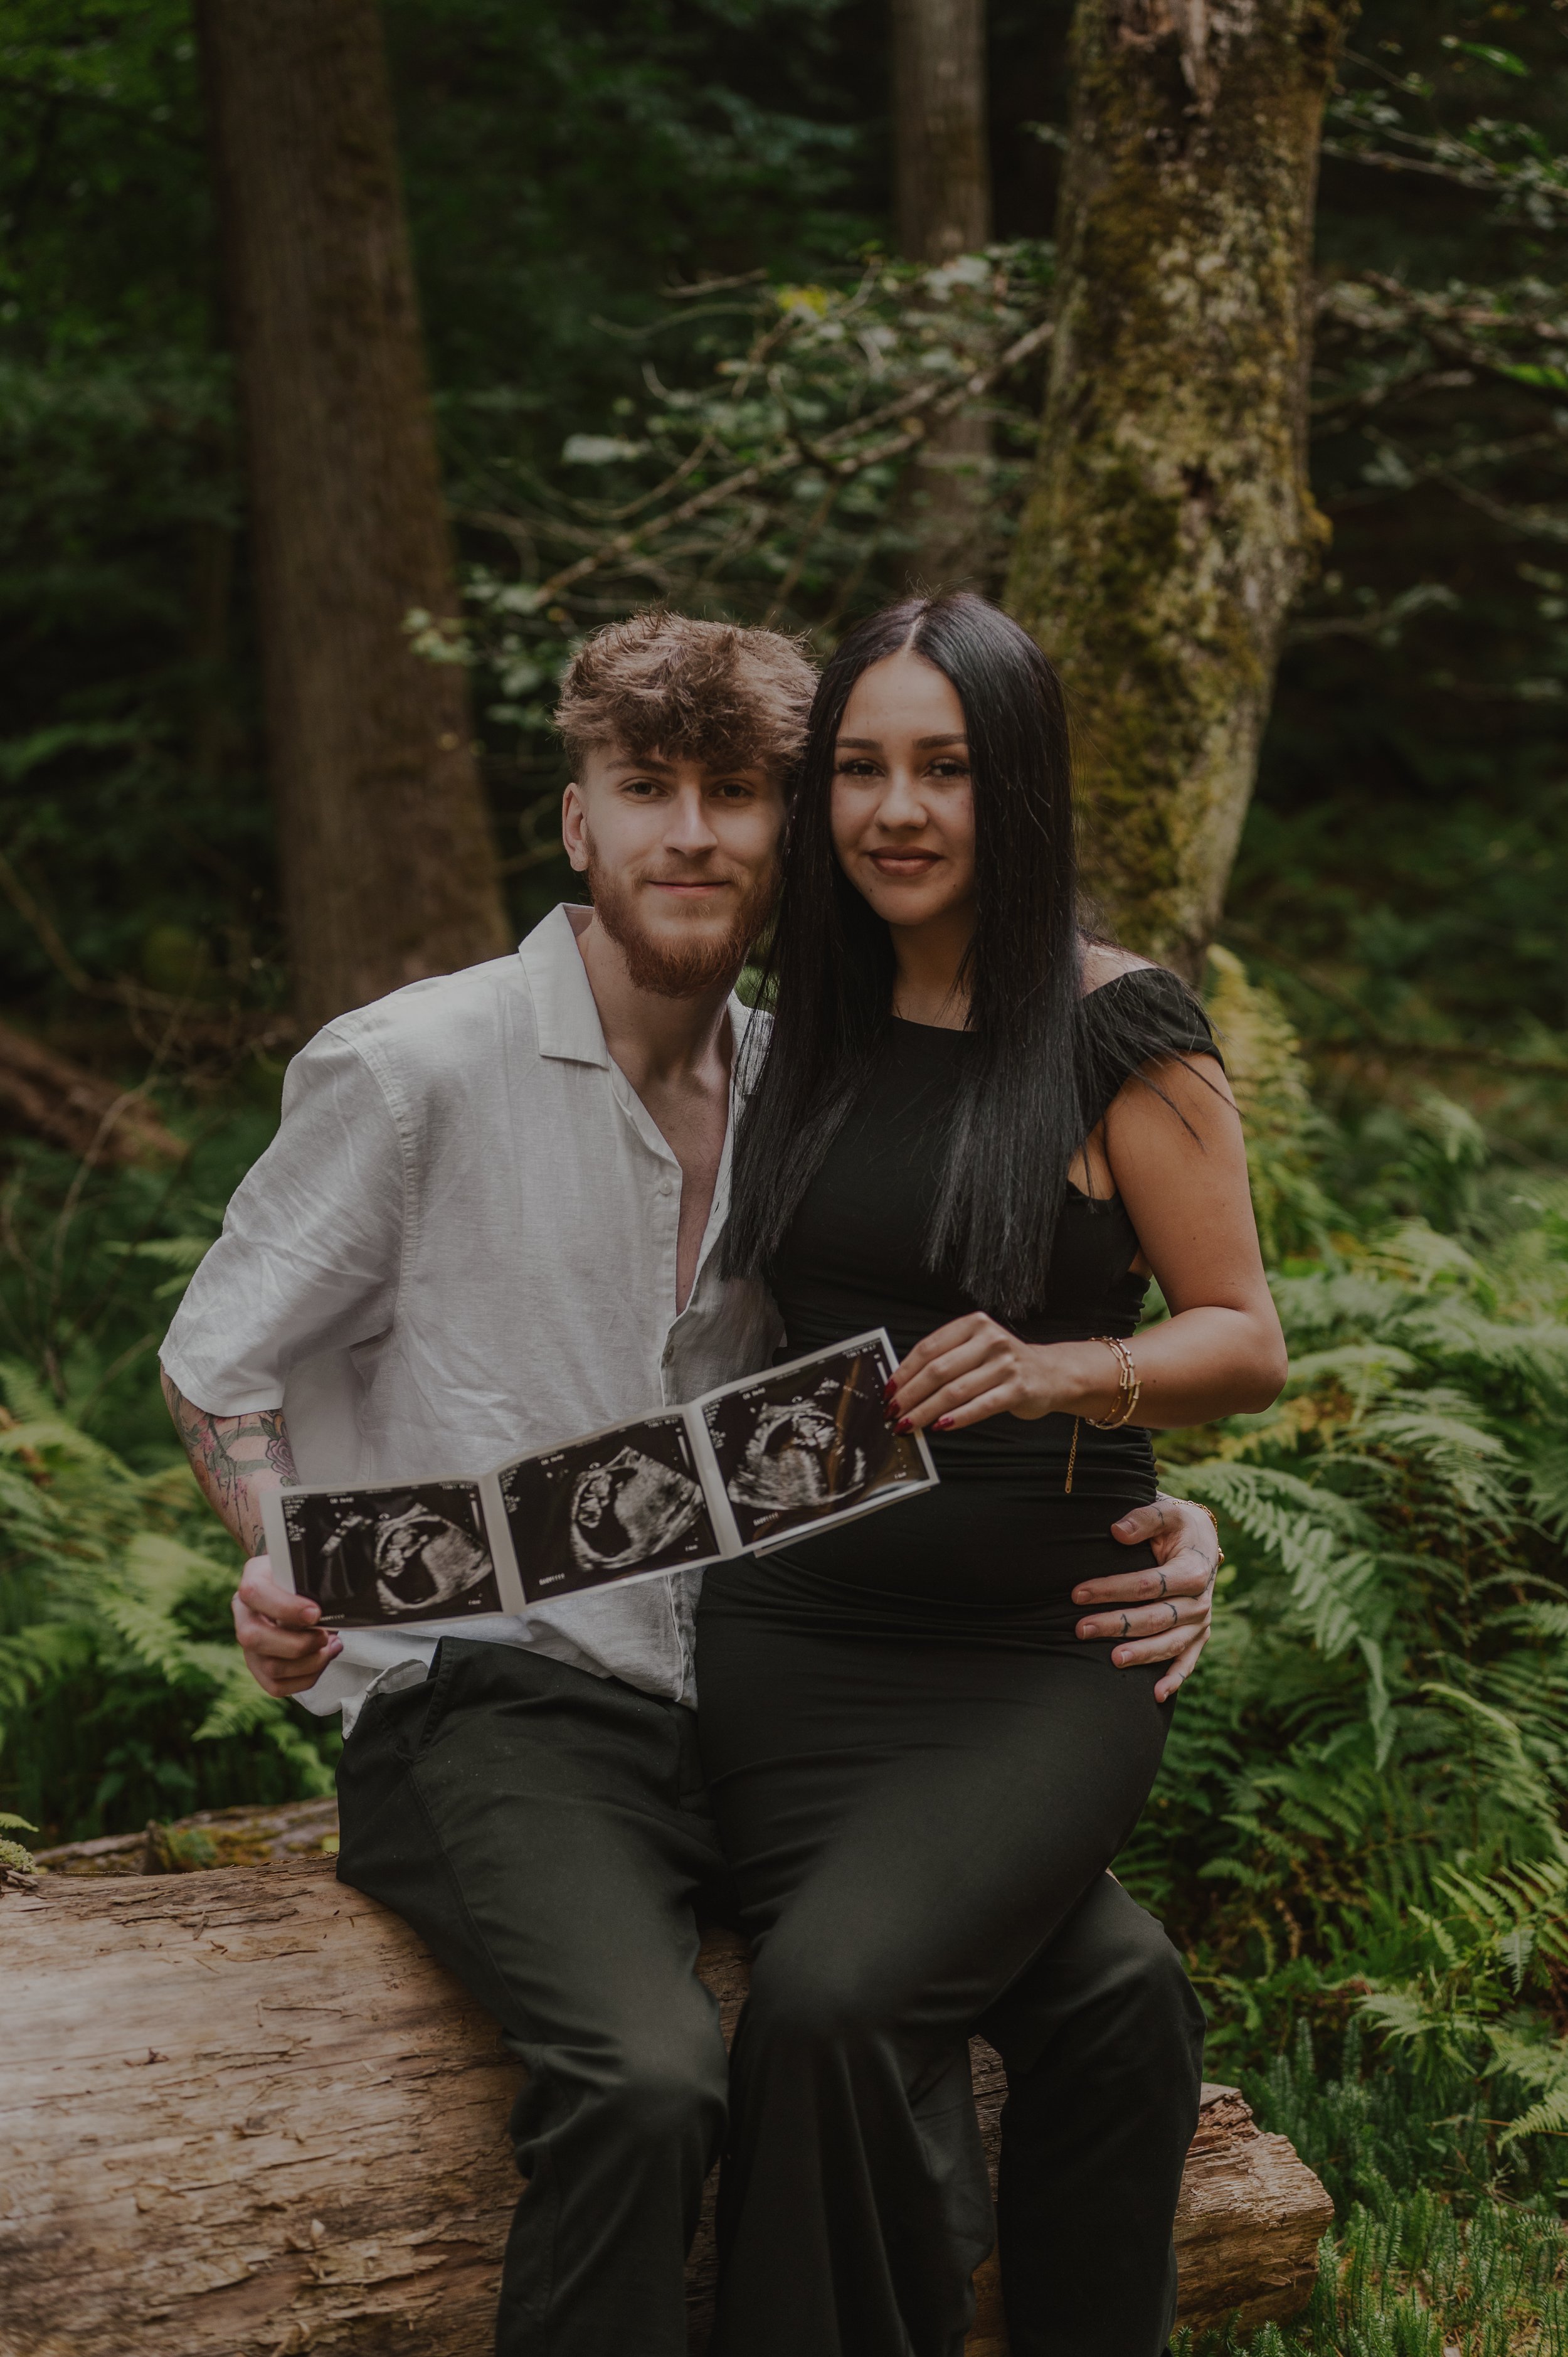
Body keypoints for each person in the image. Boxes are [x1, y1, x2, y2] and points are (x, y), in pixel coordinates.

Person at [159, 609, 1227, 2357]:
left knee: (1120, 1990)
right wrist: (278, 1551)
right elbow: (220, 1362)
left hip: (759, 1698)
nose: (692, 835)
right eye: (643, 789)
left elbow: (951, 1364)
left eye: (737, 793)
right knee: (654, 2085)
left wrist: (1155, 1506)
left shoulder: (798, 1071)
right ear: (574, 821)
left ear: (785, 827)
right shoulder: (414, 1066)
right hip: (497, 1705)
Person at [703, 590, 1290, 2357]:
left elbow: (1241, 1335)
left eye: (942, 769)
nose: (894, 810)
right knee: (1111, 1986)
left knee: (819, 2003)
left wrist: (1063, 1372)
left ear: (1012, 787)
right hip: (791, 1641)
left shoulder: (1119, 1030)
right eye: (860, 770)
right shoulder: (802, 1014)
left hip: (1046, 1648)